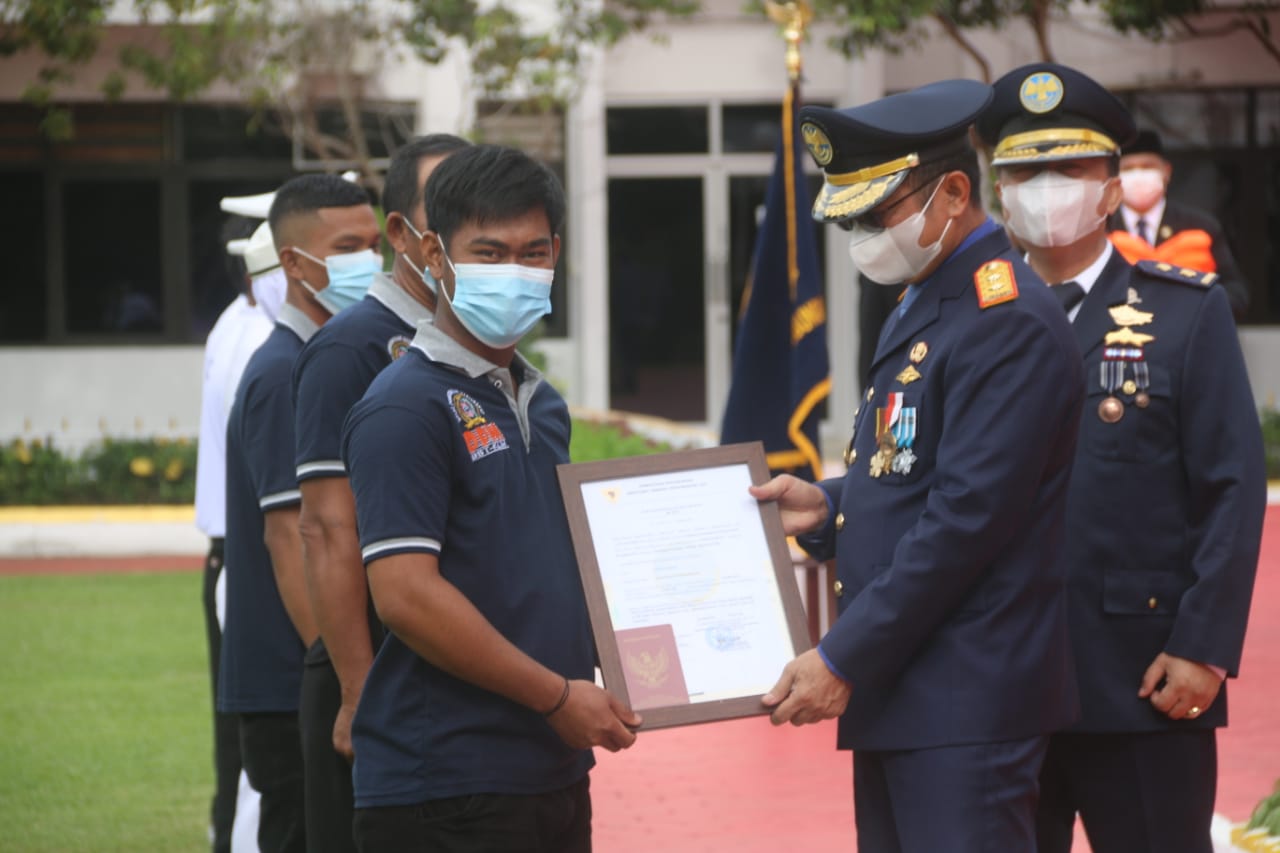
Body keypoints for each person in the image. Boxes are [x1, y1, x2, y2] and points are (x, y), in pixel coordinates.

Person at [748, 79, 1084, 852]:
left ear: (955, 193)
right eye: (852, 220)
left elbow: (965, 520)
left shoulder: (1005, 320)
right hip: (912, 692)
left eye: (877, 213)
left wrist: (842, 654)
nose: (864, 235)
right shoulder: (931, 298)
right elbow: (914, 469)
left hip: (967, 700)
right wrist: (829, 506)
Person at [975, 62, 1268, 853]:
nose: (1045, 190)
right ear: (1000, 192)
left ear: (1110, 190)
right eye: (1023, 174)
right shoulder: (973, 319)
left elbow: (1232, 486)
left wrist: (1204, 645)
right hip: (1000, 685)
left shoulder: (1185, 312)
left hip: (1145, 678)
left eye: (1070, 170)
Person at [340, 144, 641, 852]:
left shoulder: (542, 403)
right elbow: (405, 596)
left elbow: (545, 567)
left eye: (533, 252)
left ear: (557, 254)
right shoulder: (405, 405)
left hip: (550, 769)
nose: (514, 271)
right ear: (435, 256)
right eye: (489, 252)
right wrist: (557, 696)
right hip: (446, 785)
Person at [292, 133, 470, 853]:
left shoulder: (472, 341)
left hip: (448, 671)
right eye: (446, 209)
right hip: (374, 670)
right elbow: (326, 529)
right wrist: (358, 690)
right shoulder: (351, 347)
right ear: (400, 232)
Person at [218, 173, 381, 853]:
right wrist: (347, 681)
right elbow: (293, 537)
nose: (369, 261)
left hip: (318, 680)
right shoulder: (284, 371)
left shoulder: (323, 359)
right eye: (347, 248)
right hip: (297, 688)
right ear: (293, 262)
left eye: (374, 245)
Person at [195, 211, 270, 853]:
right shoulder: (261, 338)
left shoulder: (234, 323)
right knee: (263, 753)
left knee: (242, 745)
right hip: (255, 559)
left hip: (231, 555)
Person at [1108, 128, 1250, 319]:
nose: (1138, 175)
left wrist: (1195, 307)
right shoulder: (1101, 230)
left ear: (1166, 171)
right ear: (1115, 177)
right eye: (1128, 168)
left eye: (1147, 166)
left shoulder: (1200, 227)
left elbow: (1236, 293)